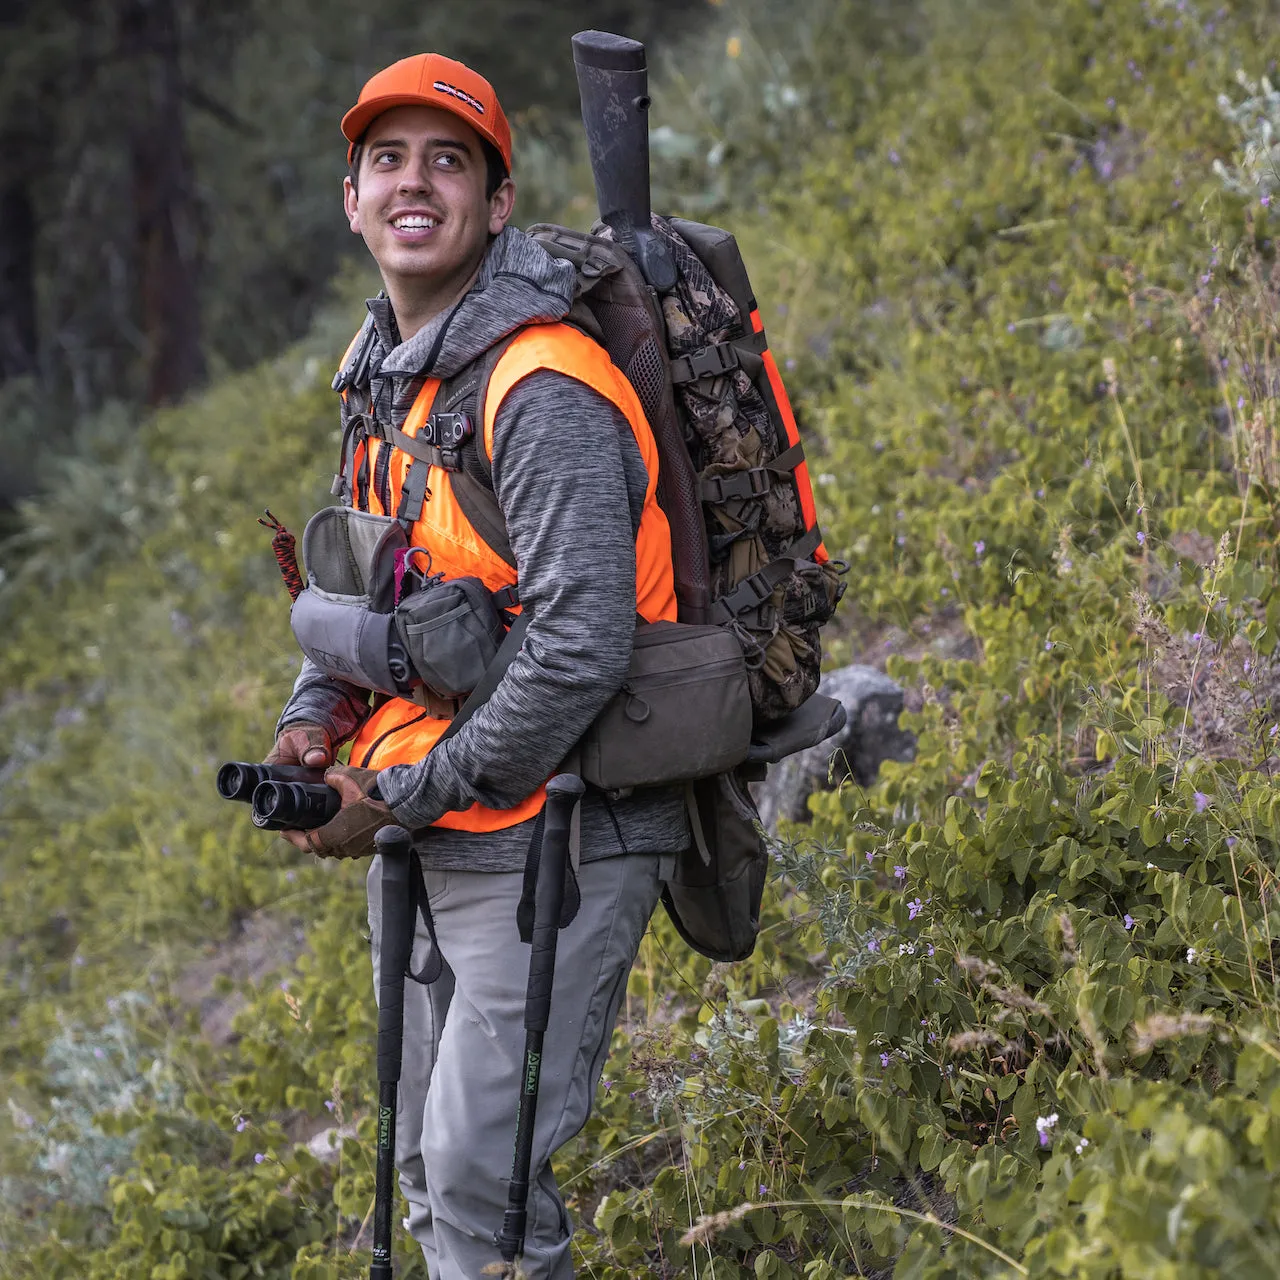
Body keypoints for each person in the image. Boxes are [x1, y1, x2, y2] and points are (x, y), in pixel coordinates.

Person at [265, 52, 687, 1279]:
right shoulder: (381, 376)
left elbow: (579, 645)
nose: (414, 185)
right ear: (351, 199)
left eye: (448, 161)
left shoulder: (539, 382)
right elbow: (362, 588)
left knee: (480, 1185)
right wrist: (311, 729)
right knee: (426, 1172)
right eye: (386, 160)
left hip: (563, 823)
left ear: (496, 203)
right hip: (434, 814)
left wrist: (392, 792)